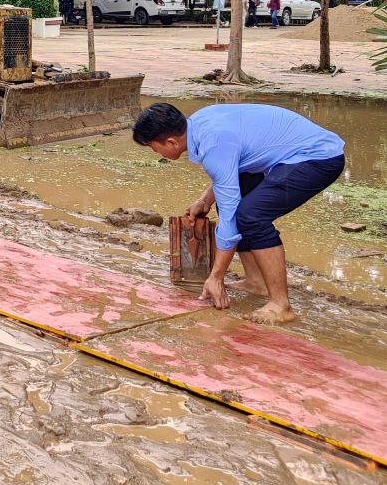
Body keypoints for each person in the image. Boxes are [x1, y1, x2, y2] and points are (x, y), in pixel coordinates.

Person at [132, 102, 345, 325]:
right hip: (293, 154)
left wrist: (216, 277)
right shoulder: (200, 123)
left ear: (172, 142)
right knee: (238, 204)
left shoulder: (214, 144)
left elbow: (229, 214)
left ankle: (281, 305)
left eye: (154, 148)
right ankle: (256, 282)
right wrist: (204, 200)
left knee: (251, 216)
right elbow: (228, 174)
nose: (155, 153)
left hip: (317, 157)